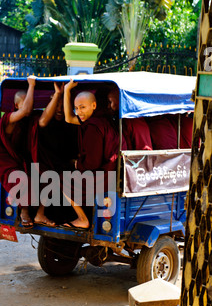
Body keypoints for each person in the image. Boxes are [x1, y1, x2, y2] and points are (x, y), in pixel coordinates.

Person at [63, 80, 120, 229]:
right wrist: (66, 91)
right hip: (109, 173)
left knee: (63, 181)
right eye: (76, 108)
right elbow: (68, 118)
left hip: (102, 176)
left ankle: (82, 218)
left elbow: (92, 163)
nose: (79, 112)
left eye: (82, 107)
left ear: (94, 106)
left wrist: (77, 164)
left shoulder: (93, 127)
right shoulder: (100, 120)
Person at [0, 76, 36, 227]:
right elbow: (26, 110)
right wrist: (32, 85)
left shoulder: (29, 119)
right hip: (4, 159)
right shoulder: (9, 118)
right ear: (16, 105)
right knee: (22, 179)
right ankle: (24, 211)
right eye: (25, 101)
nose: (30, 105)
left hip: (19, 157)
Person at [33, 82, 78, 226]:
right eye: (56, 105)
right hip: (43, 165)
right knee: (54, 178)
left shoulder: (71, 123)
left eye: (62, 105)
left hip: (62, 164)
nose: (59, 109)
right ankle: (38, 213)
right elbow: (42, 122)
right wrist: (58, 93)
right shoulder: (44, 119)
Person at [106, 86, 152, 151]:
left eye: (110, 102)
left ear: (119, 101)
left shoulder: (132, 121)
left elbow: (143, 148)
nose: (108, 106)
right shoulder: (124, 119)